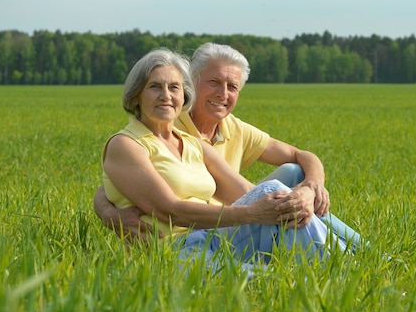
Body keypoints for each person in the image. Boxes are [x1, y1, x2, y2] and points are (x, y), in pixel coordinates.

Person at [95, 42, 362, 249]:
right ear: (193, 82)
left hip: (225, 222)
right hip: (199, 229)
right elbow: (125, 180)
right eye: (214, 82)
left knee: (292, 175)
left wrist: (310, 188)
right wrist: (107, 211)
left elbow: (297, 158)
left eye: (232, 86)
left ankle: (359, 252)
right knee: (279, 196)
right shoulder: (168, 121)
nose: (223, 93)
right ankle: (353, 261)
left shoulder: (227, 131)